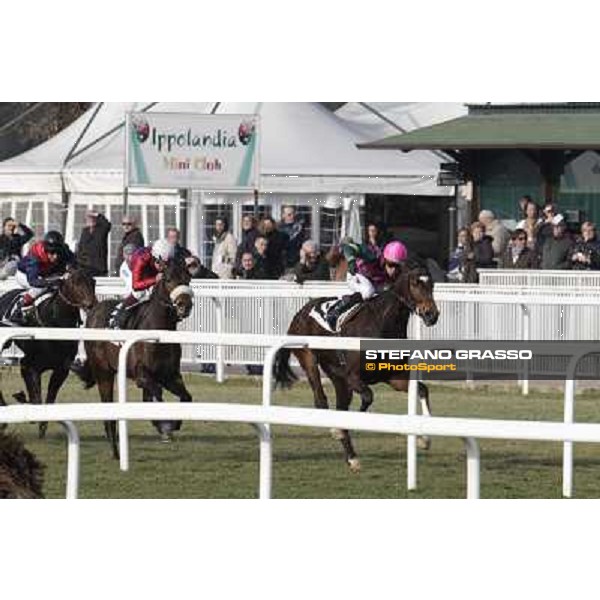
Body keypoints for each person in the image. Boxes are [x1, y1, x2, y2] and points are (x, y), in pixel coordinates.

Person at [325, 240, 408, 330]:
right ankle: (337, 309)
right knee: (368, 291)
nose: (394, 270)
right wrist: (351, 260)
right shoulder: (372, 253)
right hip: (356, 274)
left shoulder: (397, 272)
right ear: (384, 258)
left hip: (373, 281)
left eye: (397, 266)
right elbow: (347, 247)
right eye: (391, 265)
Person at [109, 239, 175, 329]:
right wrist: (154, 279)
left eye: (166, 264)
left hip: (151, 269)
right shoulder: (141, 259)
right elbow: (136, 286)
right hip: (138, 271)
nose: (163, 267)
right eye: (161, 264)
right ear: (155, 258)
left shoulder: (166, 257)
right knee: (139, 294)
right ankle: (118, 318)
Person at [12, 231, 75, 324]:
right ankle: (19, 308)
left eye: (58, 252)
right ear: (45, 250)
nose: (56, 256)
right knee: (41, 288)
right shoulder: (34, 256)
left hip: (45, 274)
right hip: (24, 275)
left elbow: (73, 260)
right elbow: (33, 281)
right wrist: (52, 283)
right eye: (52, 253)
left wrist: (70, 269)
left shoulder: (63, 249)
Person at [76, 211, 111, 277]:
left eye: (93, 218)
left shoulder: (101, 229)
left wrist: (97, 214)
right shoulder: (85, 231)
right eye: (89, 218)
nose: (91, 220)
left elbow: (107, 224)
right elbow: (80, 247)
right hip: (86, 266)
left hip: (99, 267)